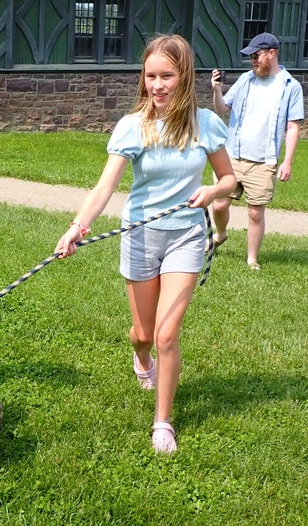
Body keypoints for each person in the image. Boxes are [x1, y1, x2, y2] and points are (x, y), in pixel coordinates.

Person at [54, 34, 236, 454]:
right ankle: (141, 358)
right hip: (139, 235)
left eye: (167, 76)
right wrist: (76, 227)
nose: (157, 85)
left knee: (167, 334)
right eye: (151, 76)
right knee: (142, 333)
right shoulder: (133, 126)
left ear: (184, 76)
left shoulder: (205, 123)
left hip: (187, 236)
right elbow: (104, 187)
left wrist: (211, 193)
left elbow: (230, 179)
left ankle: (163, 423)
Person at [209, 32, 304, 271]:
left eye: (256, 55)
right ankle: (220, 234)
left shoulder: (290, 87)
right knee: (219, 204)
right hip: (233, 155)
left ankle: (252, 259)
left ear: (271, 54)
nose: (252, 60)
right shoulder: (245, 80)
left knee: (254, 213)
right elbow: (222, 109)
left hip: (263, 161)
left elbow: (292, 127)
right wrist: (216, 90)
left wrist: (288, 162)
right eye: (250, 56)